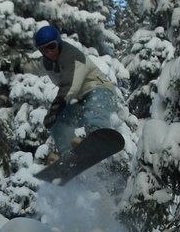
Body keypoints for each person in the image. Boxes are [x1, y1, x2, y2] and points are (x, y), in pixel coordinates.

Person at [24, 25, 117, 157]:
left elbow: (70, 85)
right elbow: (30, 65)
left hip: (99, 90)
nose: (49, 52)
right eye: (43, 49)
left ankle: (98, 136)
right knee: (59, 124)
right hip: (79, 100)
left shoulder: (72, 57)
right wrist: (9, 64)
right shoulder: (47, 62)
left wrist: (56, 107)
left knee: (94, 110)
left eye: (51, 46)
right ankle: (70, 157)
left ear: (58, 43)